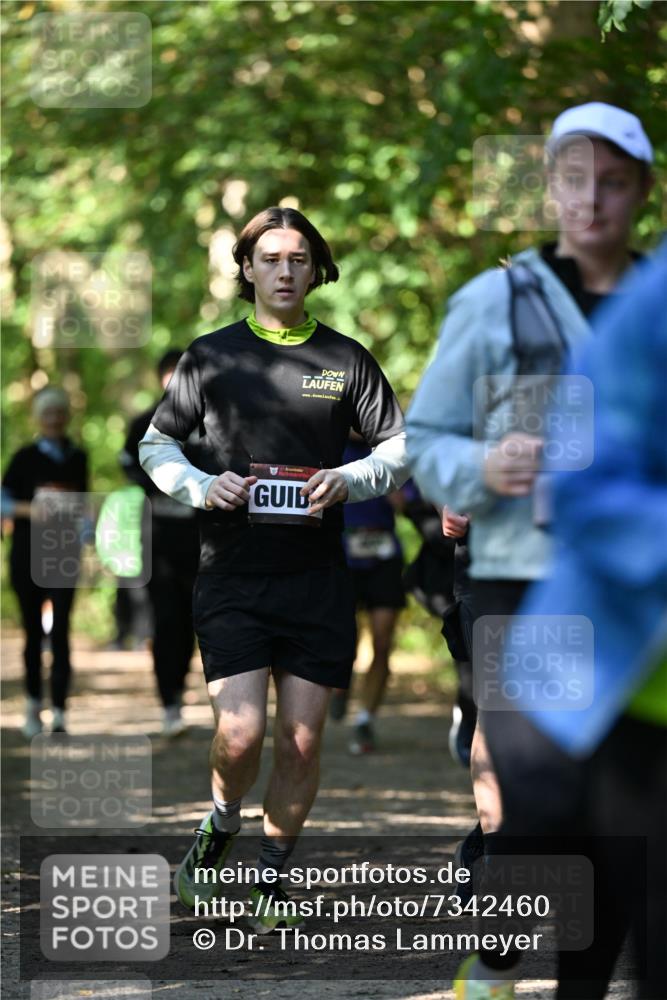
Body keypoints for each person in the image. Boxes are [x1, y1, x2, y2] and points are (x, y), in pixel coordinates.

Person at [406, 102, 654, 999]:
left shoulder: (657, 302)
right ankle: (498, 945)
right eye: (573, 179)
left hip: (631, 594)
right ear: (548, 186)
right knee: (535, 796)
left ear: (640, 191)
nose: (592, 201)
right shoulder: (495, 301)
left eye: (614, 180)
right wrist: (477, 465)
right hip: (517, 581)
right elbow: (425, 440)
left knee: (624, 818)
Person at [138, 206, 408, 929]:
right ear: (247, 269)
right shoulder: (210, 356)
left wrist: (347, 481)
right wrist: (202, 486)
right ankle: (220, 823)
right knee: (239, 735)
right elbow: (155, 447)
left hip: (318, 580)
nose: (285, 270)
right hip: (231, 573)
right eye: (271, 258)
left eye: (298, 258)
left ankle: (269, 880)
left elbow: (395, 449)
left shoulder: (346, 360)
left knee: (301, 739)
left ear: (316, 268)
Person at [483, 238, 667, 1000]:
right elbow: (583, 473)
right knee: (560, 837)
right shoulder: (649, 307)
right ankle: (507, 912)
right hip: (619, 677)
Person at [120, 349, 200, 737]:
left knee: (193, 624)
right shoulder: (142, 423)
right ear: (160, 377)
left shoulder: (210, 421)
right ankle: (169, 703)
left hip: (202, 544)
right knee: (165, 621)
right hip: (158, 543)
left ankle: (185, 694)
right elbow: (129, 466)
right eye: (172, 373)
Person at [1, 387, 88, 737]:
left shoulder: (78, 456)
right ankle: (33, 705)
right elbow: (3, 502)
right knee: (33, 634)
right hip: (26, 554)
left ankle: (61, 712)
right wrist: (31, 510)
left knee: (63, 630)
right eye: (47, 413)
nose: (54, 419)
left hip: (64, 554)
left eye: (59, 412)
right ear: (37, 418)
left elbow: (83, 501)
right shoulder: (22, 457)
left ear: (66, 415)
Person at [330, 432, 407, 755]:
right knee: (343, 639)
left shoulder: (392, 449)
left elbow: (407, 504)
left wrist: (392, 487)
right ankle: (339, 687)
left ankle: (365, 719)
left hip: (384, 554)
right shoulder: (329, 445)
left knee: (382, 640)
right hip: (342, 554)